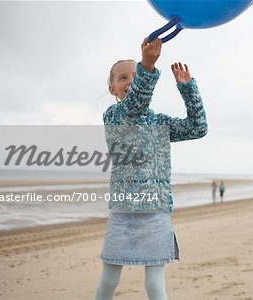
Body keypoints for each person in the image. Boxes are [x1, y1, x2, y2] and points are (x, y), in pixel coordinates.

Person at [94, 37, 208, 300]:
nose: (130, 81)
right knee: (109, 281)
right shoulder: (113, 117)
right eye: (123, 78)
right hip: (122, 213)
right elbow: (134, 105)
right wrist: (146, 64)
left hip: (156, 213)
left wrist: (187, 88)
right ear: (112, 88)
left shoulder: (159, 122)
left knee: (155, 286)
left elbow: (197, 128)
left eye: (135, 75)